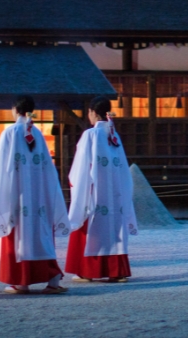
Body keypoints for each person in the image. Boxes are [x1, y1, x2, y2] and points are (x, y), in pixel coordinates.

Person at [0, 95, 71, 294]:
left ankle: (22, 281)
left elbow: (2, 170)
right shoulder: (38, 134)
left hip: (17, 196)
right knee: (42, 235)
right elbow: (48, 169)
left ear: (15, 109)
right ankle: (53, 279)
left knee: (19, 237)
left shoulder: (9, 133)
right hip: (38, 197)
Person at [65, 96, 137, 283]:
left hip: (96, 193)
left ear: (92, 113)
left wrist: (76, 186)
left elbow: (81, 169)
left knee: (89, 228)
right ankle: (117, 271)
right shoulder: (114, 136)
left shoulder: (90, 135)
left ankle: (87, 271)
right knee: (114, 229)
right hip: (115, 194)